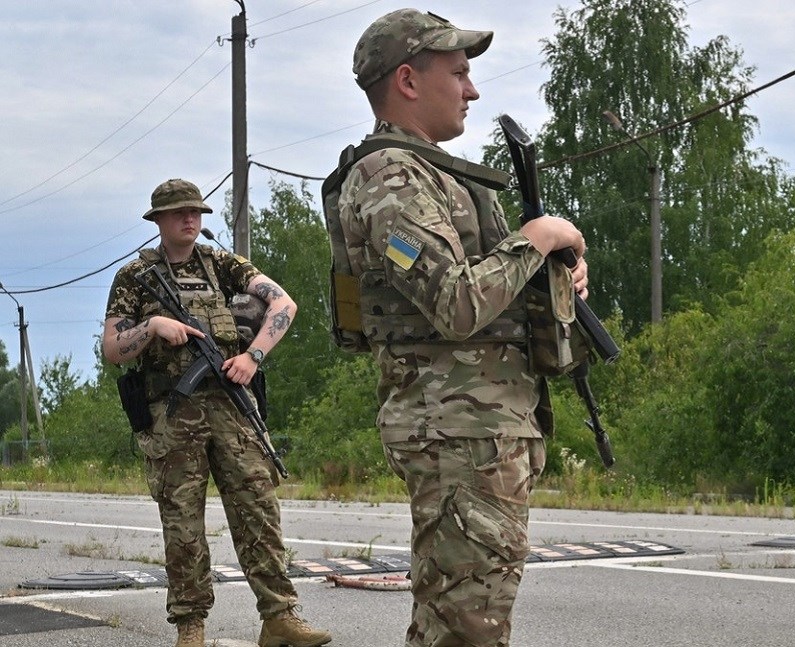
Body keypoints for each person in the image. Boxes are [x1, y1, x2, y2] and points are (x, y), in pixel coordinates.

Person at [325, 9, 589, 646]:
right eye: (461, 73)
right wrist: (537, 239)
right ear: (409, 81)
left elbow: (487, 282)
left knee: (457, 623)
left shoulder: (434, 175)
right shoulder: (387, 179)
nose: (472, 90)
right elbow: (454, 301)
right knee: (468, 630)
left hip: (481, 431)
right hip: (456, 432)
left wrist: (561, 273)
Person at [102, 179, 331, 647]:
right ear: (159, 220)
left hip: (230, 404)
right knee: (183, 522)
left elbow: (283, 303)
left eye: (196, 211)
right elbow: (112, 347)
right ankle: (191, 627)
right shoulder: (135, 276)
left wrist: (253, 356)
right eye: (179, 212)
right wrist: (152, 326)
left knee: (258, 508)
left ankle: (280, 617)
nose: (191, 219)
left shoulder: (222, 264)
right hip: (173, 410)